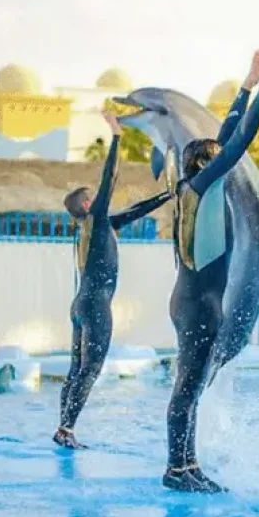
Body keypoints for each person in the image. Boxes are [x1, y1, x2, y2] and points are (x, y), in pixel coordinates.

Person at [162, 52, 259, 493]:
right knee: (188, 388)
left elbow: (223, 138)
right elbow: (237, 142)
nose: (228, 169)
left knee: (192, 385)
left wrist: (247, 85)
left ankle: (188, 463)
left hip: (194, 300)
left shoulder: (194, 187)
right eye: (219, 163)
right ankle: (176, 470)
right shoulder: (203, 187)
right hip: (198, 305)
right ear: (207, 167)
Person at [54, 110, 175, 449]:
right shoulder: (94, 220)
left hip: (81, 304)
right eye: (95, 195)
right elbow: (111, 176)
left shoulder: (96, 227)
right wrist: (117, 136)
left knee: (76, 370)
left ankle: (63, 426)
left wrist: (169, 194)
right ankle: (66, 429)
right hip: (94, 305)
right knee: (90, 370)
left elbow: (135, 211)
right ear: (89, 203)